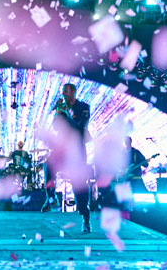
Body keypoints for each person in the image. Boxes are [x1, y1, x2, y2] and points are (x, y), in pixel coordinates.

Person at [53, 82, 92, 233]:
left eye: (66, 92)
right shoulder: (61, 109)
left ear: (74, 92)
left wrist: (66, 114)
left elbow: (79, 127)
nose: (64, 94)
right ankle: (51, 198)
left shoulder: (83, 107)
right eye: (63, 92)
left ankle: (85, 215)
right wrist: (58, 113)